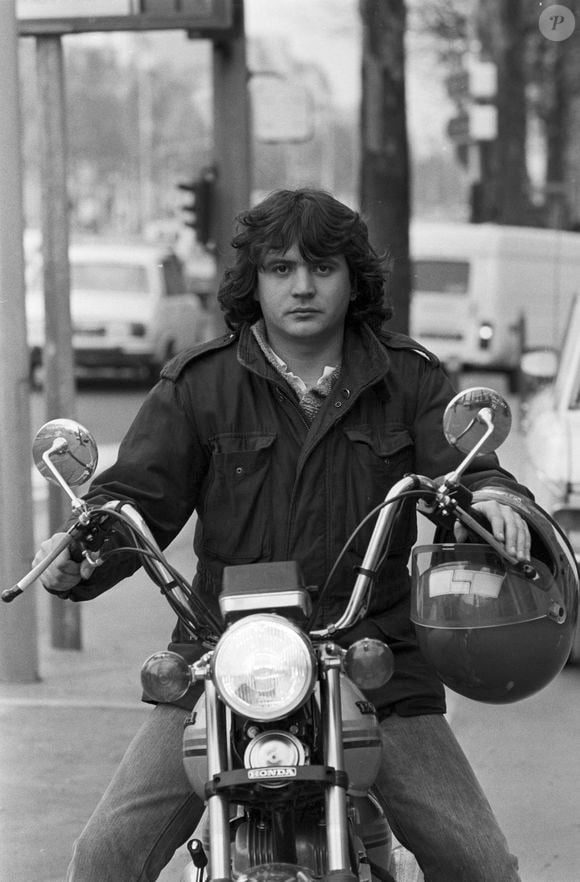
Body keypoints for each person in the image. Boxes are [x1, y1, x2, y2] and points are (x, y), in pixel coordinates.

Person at [35, 188, 530, 882]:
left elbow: (468, 469)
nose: (302, 286)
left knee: (480, 863)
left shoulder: (409, 378)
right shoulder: (199, 385)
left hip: (371, 658)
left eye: (323, 268)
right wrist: (80, 548)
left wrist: (495, 501)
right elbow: (133, 498)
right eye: (281, 269)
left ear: (354, 279)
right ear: (253, 281)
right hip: (221, 659)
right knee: (103, 858)